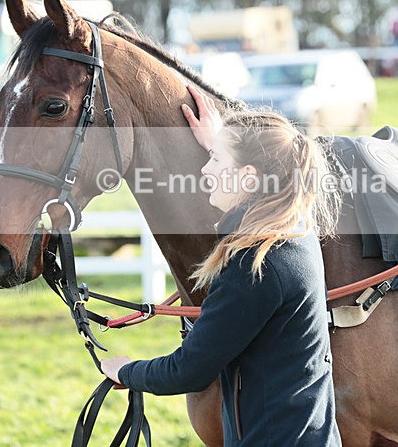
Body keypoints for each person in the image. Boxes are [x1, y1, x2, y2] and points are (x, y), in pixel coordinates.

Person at [101, 85, 342, 445]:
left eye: (215, 160)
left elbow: (189, 370)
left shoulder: (254, 267)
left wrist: (126, 371)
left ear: (248, 177)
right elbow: (270, 164)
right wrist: (224, 140)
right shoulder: (295, 227)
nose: (206, 170)